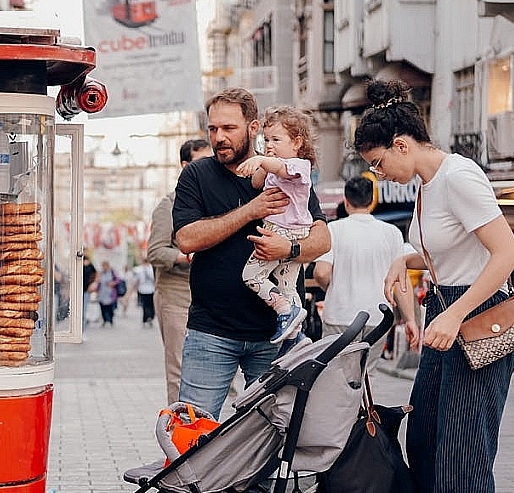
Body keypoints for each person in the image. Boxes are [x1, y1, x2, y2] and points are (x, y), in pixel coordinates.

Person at [366, 79, 514, 493]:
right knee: (426, 438)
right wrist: (401, 264)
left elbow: (507, 253)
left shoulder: (459, 177)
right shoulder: (429, 186)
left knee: (463, 454)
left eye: (380, 163)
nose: (378, 175)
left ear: (403, 144)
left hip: (478, 319)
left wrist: (454, 315)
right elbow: (430, 248)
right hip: (447, 318)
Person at [172, 88, 330, 418]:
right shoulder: (196, 176)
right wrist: (250, 210)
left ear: (253, 127)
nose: (219, 138)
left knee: (270, 436)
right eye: (213, 129)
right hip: (211, 332)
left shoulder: (284, 172)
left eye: (229, 128)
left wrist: (289, 248)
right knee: (190, 433)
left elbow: (322, 240)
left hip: (275, 334)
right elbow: (186, 239)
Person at [313, 176, 419, 377]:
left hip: (340, 314)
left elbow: (321, 272)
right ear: (372, 201)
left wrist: (332, 287)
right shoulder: (391, 233)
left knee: (335, 377)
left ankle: (342, 409)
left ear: (346, 200)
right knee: (365, 378)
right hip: (377, 317)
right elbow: (400, 282)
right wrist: (410, 320)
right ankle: (362, 409)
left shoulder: (334, 229)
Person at [234, 106, 317, 344]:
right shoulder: (274, 165)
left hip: (283, 231)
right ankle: (297, 335)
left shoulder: (300, 165)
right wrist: (263, 162)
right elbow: (257, 183)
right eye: (266, 139)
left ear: (297, 142)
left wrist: (263, 159)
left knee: (251, 276)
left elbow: (282, 170)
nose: (270, 144)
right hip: (288, 232)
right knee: (288, 284)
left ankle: (284, 310)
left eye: (277, 139)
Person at [148, 138, 213, 404]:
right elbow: (154, 252)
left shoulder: (214, 199)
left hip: (210, 299)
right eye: (201, 163)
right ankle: (181, 433)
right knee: (179, 370)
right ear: (185, 166)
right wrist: (186, 256)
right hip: (177, 298)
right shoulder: (169, 204)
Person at [96, 260, 120, 327]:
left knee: (110, 308)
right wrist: (97, 290)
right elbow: (98, 282)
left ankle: (110, 319)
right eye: (103, 266)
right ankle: (105, 320)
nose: (104, 267)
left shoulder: (112, 272)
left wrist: (113, 283)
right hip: (102, 293)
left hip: (111, 293)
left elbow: (118, 280)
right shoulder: (100, 273)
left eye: (105, 266)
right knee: (103, 307)